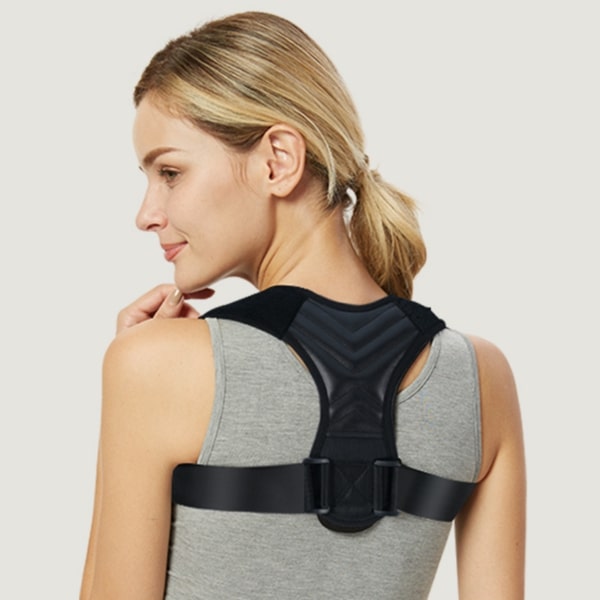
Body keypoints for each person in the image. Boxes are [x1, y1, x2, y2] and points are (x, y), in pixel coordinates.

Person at [80, 11, 525, 600]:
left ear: (278, 160)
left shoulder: (156, 366)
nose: (146, 214)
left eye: (170, 172)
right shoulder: (482, 377)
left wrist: (131, 387)